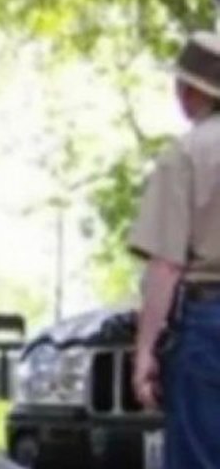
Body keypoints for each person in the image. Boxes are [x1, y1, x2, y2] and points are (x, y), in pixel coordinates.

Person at [129, 30, 220, 467]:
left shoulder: (184, 155)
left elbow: (166, 265)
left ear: (187, 90)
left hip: (208, 324)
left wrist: (144, 351)